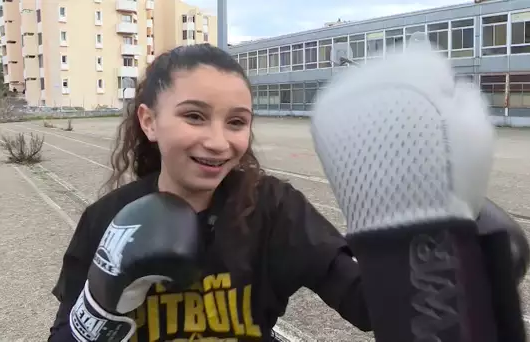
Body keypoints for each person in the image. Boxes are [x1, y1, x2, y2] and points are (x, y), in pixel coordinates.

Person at [48, 43, 371, 342]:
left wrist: (403, 236)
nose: (218, 142)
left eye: (236, 122)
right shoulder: (108, 218)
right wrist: (101, 302)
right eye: (194, 116)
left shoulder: (274, 208)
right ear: (149, 122)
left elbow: (369, 306)